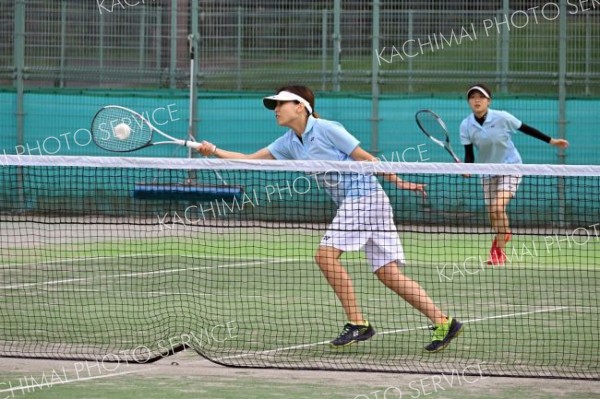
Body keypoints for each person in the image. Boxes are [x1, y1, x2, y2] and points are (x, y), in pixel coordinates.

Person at [197, 85, 463, 352]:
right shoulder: (289, 141)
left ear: (300, 106)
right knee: (388, 273)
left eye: (281, 104)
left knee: (325, 256)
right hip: (363, 202)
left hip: (365, 197)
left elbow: (366, 159)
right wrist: (215, 150)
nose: (276, 110)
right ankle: (444, 321)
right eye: (274, 106)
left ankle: (358, 323)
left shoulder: (327, 129)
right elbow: (250, 160)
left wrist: (399, 181)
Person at [460, 84, 569, 265]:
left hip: (511, 167)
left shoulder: (502, 117)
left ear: (489, 101)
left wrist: (552, 141)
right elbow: (469, 154)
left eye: (481, 97)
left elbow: (525, 128)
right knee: (493, 214)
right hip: (487, 171)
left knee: (497, 207)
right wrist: (466, 168)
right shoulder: (466, 125)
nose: (477, 100)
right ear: (469, 102)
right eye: (473, 97)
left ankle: (498, 251)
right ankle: (504, 233)